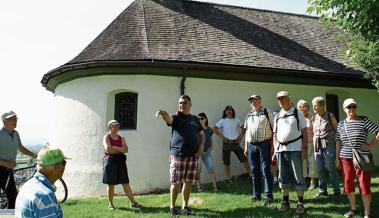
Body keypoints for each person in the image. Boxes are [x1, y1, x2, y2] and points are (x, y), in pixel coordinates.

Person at [156, 95, 205, 216]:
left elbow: (202, 134)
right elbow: (169, 120)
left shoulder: (194, 119)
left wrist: (202, 145)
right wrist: (164, 114)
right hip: (178, 155)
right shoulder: (176, 117)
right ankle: (172, 207)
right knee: (175, 183)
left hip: (192, 156)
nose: (181, 105)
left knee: (188, 182)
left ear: (190, 104)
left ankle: (185, 206)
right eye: (180, 103)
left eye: (184, 103)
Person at [336, 98, 379, 218]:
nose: (351, 109)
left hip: (362, 158)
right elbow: (338, 142)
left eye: (353, 106)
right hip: (345, 158)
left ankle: (367, 213)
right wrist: (337, 158)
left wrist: (371, 145)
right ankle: (353, 208)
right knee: (348, 184)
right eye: (349, 107)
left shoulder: (364, 120)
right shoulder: (341, 124)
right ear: (344, 109)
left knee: (364, 184)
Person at [272, 91, 308, 214]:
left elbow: (304, 131)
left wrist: (304, 148)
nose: (281, 101)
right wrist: (275, 150)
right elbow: (275, 135)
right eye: (279, 99)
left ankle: (300, 203)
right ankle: (285, 202)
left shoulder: (297, 113)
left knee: (298, 175)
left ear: (289, 99)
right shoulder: (277, 116)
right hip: (281, 150)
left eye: (283, 98)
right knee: (283, 177)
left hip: (295, 148)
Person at [15, 147, 69, 217]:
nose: (64, 167)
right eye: (64, 163)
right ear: (57, 168)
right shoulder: (45, 196)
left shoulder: (27, 185)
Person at [102, 120, 142, 210]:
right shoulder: (106, 137)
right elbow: (108, 150)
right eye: (114, 126)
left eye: (118, 126)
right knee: (111, 184)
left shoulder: (121, 137)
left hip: (120, 161)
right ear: (110, 127)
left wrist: (115, 147)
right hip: (110, 162)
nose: (116, 127)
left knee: (125, 183)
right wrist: (120, 149)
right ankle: (110, 204)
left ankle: (133, 203)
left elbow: (126, 149)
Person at [0, 111, 37, 209]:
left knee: (12, 198)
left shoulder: (16, 134)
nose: (16, 121)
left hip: (8, 170)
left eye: (16, 119)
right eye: (13, 119)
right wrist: (7, 163)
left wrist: (34, 155)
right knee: (11, 197)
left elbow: (20, 147)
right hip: (3, 167)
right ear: (5, 121)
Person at [243, 95, 274, 205]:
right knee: (254, 171)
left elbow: (274, 129)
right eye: (251, 101)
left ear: (260, 101)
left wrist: (273, 146)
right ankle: (256, 195)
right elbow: (247, 132)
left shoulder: (267, 112)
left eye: (255, 100)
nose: (254, 103)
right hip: (251, 145)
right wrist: (246, 147)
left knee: (266, 169)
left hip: (264, 143)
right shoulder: (249, 115)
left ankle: (268, 196)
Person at [311, 97, 341, 198]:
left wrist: (339, 144)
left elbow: (337, 130)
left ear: (322, 105)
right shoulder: (313, 117)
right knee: (319, 168)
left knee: (330, 166)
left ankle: (336, 190)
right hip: (317, 145)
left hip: (329, 143)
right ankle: (322, 190)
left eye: (316, 105)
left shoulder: (329, 115)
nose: (314, 107)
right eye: (313, 105)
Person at [213, 105, 251, 184]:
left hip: (235, 143)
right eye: (227, 110)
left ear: (232, 111)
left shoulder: (236, 120)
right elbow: (214, 128)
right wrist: (223, 137)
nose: (229, 111)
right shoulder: (223, 120)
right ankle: (228, 178)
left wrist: (240, 137)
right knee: (226, 162)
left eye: (230, 110)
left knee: (244, 158)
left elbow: (244, 128)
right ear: (225, 112)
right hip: (227, 143)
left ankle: (251, 174)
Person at [297, 100, 318, 190]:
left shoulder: (311, 116)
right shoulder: (296, 117)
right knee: (302, 162)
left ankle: (312, 181)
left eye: (305, 106)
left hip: (311, 142)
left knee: (312, 161)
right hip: (300, 143)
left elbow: (316, 129)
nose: (303, 109)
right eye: (301, 107)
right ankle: (304, 180)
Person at [196, 112, 218, 192]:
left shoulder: (209, 129)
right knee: (198, 171)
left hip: (207, 152)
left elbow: (211, 141)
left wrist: (211, 148)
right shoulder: (196, 129)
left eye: (202, 118)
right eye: (198, 119)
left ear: (206, 119)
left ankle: (215, 187)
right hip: (198, 153)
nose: (200, 120)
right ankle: (199, 188)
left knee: (211, 169)